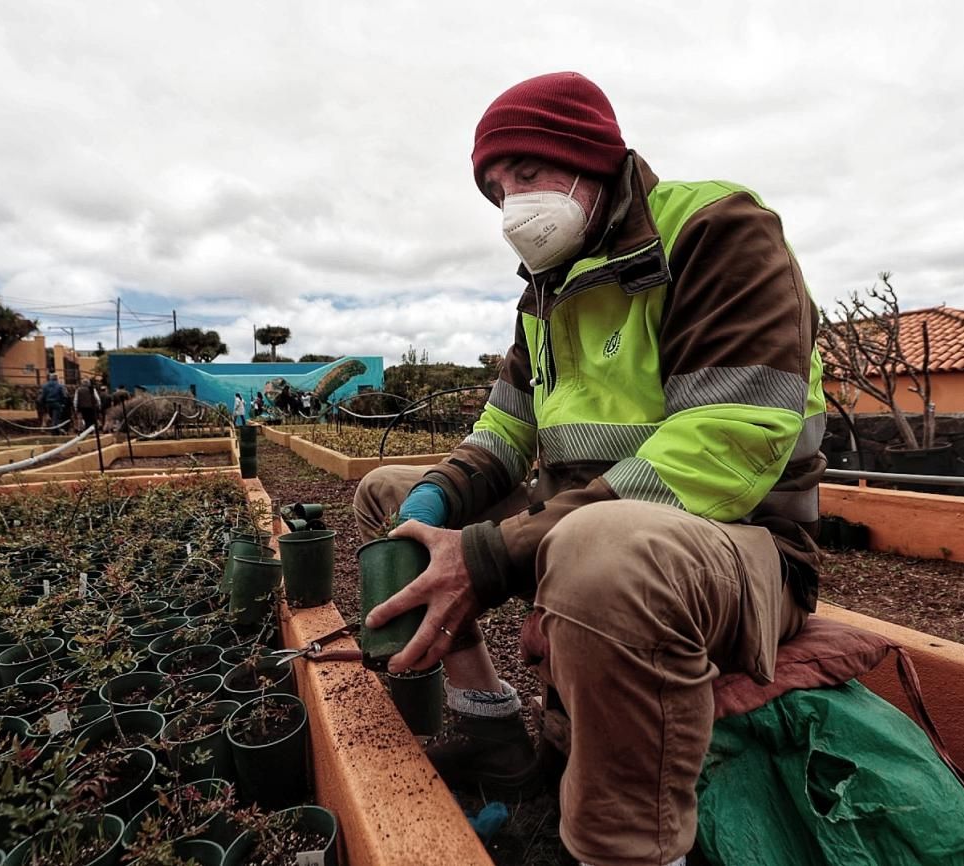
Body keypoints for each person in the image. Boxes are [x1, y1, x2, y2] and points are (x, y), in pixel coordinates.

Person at [355, 72, 825, 866]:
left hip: (740, 549)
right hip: (585, 533)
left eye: (526, 176)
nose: (512, 208)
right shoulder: (544, 292)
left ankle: (624, 848)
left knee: (601, 550)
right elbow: (502, 434)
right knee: (390, 497)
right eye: (496, 191)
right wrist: (437, 500)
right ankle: (494, 731)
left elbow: (726, 446)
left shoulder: (716, 232)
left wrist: (498, 554)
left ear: (588, 159)